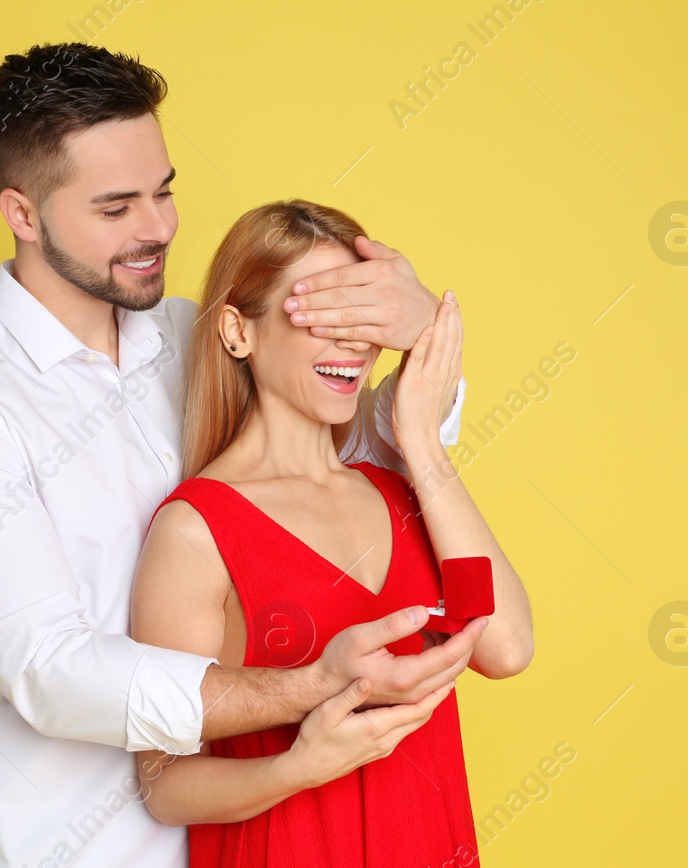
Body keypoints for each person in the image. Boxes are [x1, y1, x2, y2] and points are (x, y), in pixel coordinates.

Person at [0, 43, 485, 868]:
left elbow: (351, 469)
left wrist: (420, 336)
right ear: (22, 213)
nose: (158, 228)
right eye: (115, 206)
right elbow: (51, 672)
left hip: (254, 839)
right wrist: (312, 684)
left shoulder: (194, 335)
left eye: (163, 192)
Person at [129, 199, 533, 866]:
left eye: (363, 315)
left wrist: (423, 445)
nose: (352, 342)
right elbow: (164, 785)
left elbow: (507, 647)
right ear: (236, 331)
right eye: (321, 312)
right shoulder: (195, 530)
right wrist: (299, 766)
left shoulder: (403, 493)